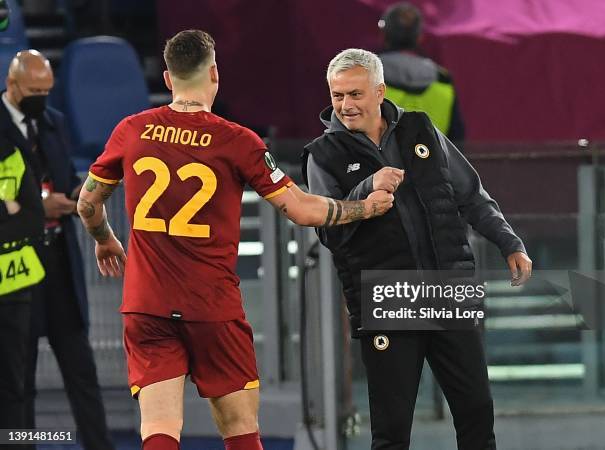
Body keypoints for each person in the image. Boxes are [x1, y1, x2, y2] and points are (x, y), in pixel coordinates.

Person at [77, 29, 393, 450]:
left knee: (158, 428)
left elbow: (87, 204)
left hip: (147, 304)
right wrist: (366, 208)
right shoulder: (238, 141)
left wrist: (104, 239)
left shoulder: (132, 130)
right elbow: (300, 209)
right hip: (212, 308)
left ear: (168, 79)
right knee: (240, 430)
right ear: (214, 74)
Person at [302, 48, 532, 450]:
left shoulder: (421, 129)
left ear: (379, 91)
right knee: (391, 432)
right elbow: (328, 232)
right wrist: (364, 190)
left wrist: (508, 241)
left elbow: (471, 195)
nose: (345, 106)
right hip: (386, 294)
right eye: (337, 96)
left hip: (447, 287)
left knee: (477, 414)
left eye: (355, 94)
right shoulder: (322, 155)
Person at [0, 50, 115, 450]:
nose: (41, 98)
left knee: (81, 373)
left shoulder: (54, 123)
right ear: (12, 85)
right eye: (34, 90)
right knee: (18, 381)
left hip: (60, 262)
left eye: (47, 91)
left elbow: (65, 177)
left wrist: (72, 197)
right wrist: (36, 209)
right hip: (15, 266)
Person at [0, 136, 45, 432]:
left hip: (13, 294)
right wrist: (7, 208)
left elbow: (32, 222)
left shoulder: (10, 155)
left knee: (14, 390)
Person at [378, 2, 466, 143]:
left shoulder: (366, 76)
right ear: (420, 37)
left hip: (379, 163)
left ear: (384, 34)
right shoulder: (442, 80)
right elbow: (457, 138)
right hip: (433, 162)